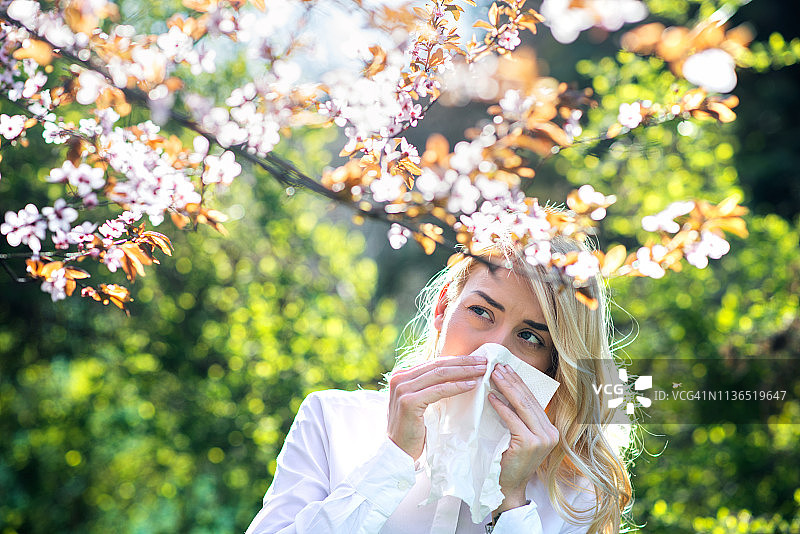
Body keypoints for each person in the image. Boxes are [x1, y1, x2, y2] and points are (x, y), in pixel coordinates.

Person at [245, 234, 633, 534]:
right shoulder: (333, 420)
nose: (492, 350)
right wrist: (392, 458)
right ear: (443, 307)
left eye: (530, 338)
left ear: (553, 366)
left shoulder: (573, 490)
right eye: (481, 312)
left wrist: (512, 503)